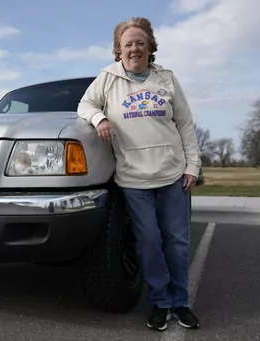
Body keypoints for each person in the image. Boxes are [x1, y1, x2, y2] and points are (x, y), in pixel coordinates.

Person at [76, 17, 201, 331]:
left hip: (173, 175)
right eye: (128, 44)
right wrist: (99, 118)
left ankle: (181, 303)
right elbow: (85, 104)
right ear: (119, 50)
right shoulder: (107, 78)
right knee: (148, 242)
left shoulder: (166, 79)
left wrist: (192, 166)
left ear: (150, 47)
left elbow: (185, 124)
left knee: (177, 242)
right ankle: (160, 302)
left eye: (140, 43)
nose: (135, 48)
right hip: (133, 178)